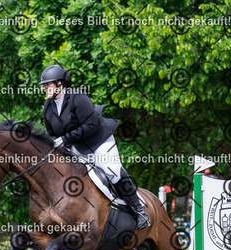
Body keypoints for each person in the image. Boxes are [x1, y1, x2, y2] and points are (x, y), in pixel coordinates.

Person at [40, 65, 150, 229]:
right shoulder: (48, 106)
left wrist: (65, 139)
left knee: (112, 170)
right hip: (76, 147)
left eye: (47, 84)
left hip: (98, 141)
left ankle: (139, 211)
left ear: (60, 83)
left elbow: (90, 124)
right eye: (43, 85)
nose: (44, 88)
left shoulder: (77, 97)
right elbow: (52, 135)